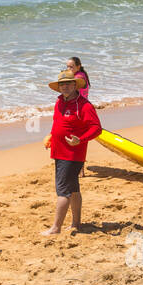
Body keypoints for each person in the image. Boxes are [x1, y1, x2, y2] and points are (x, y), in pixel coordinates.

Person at [43, 69, 102, 235]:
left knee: (63, 191)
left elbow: (96, 129)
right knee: (74, 189)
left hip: (71, 155)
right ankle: (76, 223)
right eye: (62, 84)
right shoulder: (60, 102)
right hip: (59, 152)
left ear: (75, 85)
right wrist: (51, 136)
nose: (65, 87)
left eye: (68, 83)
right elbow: (58, 123)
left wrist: (80, 139)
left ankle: (55, 228)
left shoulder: (84, 105)